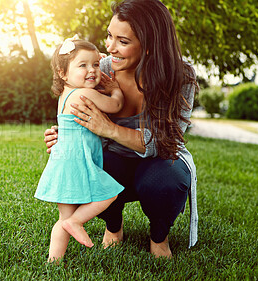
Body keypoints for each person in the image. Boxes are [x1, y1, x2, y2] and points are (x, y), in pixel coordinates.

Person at [44, 0, 198, 258]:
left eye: (122, 41)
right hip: (114, 160)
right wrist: (65, 138)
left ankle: (159, 237)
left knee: (166, 181)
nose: (110, 47)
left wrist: (110, 129)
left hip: (159, 161)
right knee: (84, 165)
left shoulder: (180, 76)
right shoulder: (102, 69)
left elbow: (167, 142)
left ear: (149, 46)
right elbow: (77, 109)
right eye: (109, 36)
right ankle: (113, 227)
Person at [35, 37, 126, 262]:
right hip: (77, 162)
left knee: (63, 218)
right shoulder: (84, 94)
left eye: (95, 64)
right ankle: (77, 221)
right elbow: (115, 106)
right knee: (110, 193)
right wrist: (115, 90)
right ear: (63, 73)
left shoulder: (66, 93)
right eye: (82, 65)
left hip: (63, 161)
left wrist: (92, 61)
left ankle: (54, 262)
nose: (92, 70)